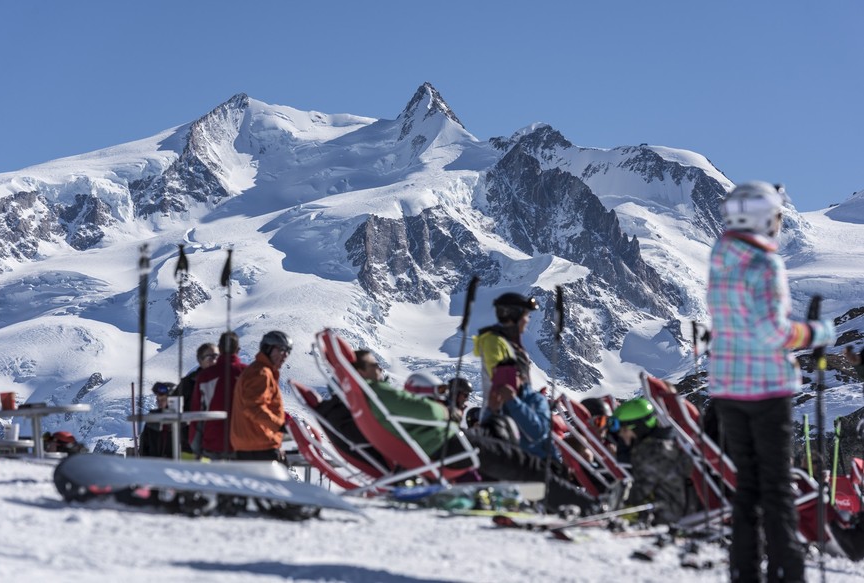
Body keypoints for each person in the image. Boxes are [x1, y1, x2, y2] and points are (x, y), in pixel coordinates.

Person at [707, 181, 836, 583]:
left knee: (746, 487)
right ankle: (789, 573)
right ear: (764, 220)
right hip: (765, 387)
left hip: (727, 387)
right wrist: (816, 333)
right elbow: (771, 332)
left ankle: (744, 573)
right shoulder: (765, 264)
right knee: (777, 488)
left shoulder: (720, 257)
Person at [352, 349, 600, 515]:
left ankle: (579, 501)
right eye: (374, 365)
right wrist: (448, 413)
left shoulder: (365, 395)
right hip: (447, 447)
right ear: (361, 370)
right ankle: (588, 507)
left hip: (442, 447)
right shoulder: (377, 391)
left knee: (522, 464)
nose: (380, 370)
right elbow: (429, 412)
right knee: (525, 466)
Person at [474, 293, 551, 458]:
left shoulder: (511, 342)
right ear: (513, 315)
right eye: (525, 315)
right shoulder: (494, 342)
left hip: (517, 415)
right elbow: (503, 381)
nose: (528, 320)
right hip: (502, 418)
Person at [611, 397, 692, 525]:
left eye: (624, 430)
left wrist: (620, 506)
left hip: (668, 514)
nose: (621, 435)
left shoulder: (649, 451)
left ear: (637, 427)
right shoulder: (664, 442)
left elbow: (642, 489)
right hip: (678, 507)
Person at [230, 331, 291, 461]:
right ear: (268, 349)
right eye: (281, 350)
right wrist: (280, 426)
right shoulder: (261, 373)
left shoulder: (260, 370)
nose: (285, 355)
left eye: (288, 351)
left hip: (252, 442)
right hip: (259, 444)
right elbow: (254, 407)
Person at [189, 332, 246, 459]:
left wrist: (196, 445)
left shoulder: (205, 376)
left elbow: (197, 413)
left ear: (220, 349)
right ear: (238, 350)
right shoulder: (248, 374)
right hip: (243, 445)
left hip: (213, 444)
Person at [173, 342, 218, 456]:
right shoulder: (188, 383)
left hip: (219, 444)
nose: (214, 360)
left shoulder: (226, 380)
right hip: (190, 445)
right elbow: (172, 408)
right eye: (210, 357)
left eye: (216, 356)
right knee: (189, 473)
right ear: (200, 360)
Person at [138, 382, 175, 458]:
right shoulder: (152, 418)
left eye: (163, 400)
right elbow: (144, 444)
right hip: (154, 464)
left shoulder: (180, 419)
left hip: (173, 465)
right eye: (158, 399)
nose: (159, 402)